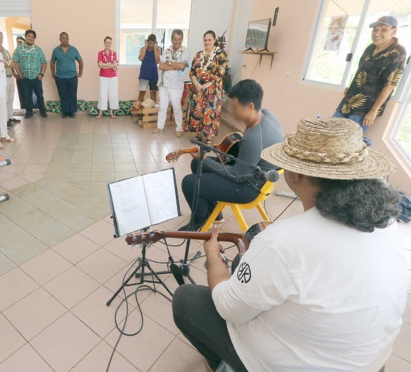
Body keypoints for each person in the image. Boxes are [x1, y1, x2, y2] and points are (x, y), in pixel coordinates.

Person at [173, 117, 407, 371]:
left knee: (187, 299)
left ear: (295, 174)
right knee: (248, 263)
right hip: (371, 362)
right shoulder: (387, 221)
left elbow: (228, 308)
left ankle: (224, 363)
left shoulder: (282, 242)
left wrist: (213, 258)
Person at [180, 79, 284, 230]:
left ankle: (199, 220)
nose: (231, 112)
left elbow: (236, 175)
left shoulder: (254, 137)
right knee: (197, 164)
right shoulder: (267, 115)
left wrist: (204, 158)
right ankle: (215, 214)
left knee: (190, 182)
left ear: (250, 106)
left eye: (235, 108)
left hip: (248, 188)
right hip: (256, 175)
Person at [334, 16, 407, 145]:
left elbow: (390, 85)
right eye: (375, 30)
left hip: (365, 108)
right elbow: (361, 71)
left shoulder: (398, 52)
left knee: (346, 143)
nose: (377, 34)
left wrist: (373, 111)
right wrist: (352, 87)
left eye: (383, 30)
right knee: (329, 132)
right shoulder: (370, 48)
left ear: (393, 31)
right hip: (349, 100)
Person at [185, 30, 228, 141]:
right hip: (198, 89)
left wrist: (207, 84)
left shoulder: (221, 55)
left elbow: (220, 73)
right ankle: (199, 135)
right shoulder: (199, 54)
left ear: (214, 40)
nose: (207, 42)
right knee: (198, 111)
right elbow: (192, 72)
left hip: (212, 91)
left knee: (209, 113)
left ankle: (208, 137)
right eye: (205, 40)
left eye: (209, 40)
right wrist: (197, 84)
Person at [153, 29, 190, 138]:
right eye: (175, 39)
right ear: (172, 39)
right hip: (164, 83)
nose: (177, 42)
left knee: (176, 106)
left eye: (179, 39)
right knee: (162, 106)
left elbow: (182, 66)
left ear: (182, 39)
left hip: (176, 85)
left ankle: (179, 128)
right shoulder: (167, 50)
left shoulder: (185, 51)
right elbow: (161, 66)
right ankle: (160, 126)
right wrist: (174, 65)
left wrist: (168, 63)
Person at [12, 30, 48, 119]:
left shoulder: (38, 49)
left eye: (32, 37)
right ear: (25, 37)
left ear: (34, 39)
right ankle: (29, 112)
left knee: (39, 95)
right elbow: (15, 61)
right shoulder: (19, 49)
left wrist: (41, 74)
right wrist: (19, 74)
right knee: (27, 96)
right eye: (29, 36)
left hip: (36, 77)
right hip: (25, 77)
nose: (30, 38)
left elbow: (44, 62)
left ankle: (42, 111)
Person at [50, 32, 83, 118]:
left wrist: (80, 73)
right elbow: (52, 62)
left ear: (68, 39)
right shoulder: (56, 50)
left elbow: (80, 61)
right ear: (60, 39)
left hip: (72, 77)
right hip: (60, 77)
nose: (65, 40)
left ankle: (71, 112)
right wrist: (53, 74)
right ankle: (65, 112)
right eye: (63, 38)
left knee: (72, 94)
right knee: (63, 94)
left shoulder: (74, 49)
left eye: (66, 38)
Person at [0, 31, 19, 125]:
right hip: (2, 78)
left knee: (10, 98)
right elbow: (1, 64)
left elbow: (11, 63)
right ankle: (5, 119)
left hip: (10, 76)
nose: (1, 40)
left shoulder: (5, 50)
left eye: (2, 37)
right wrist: (7, 64)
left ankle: (10, 117)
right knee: (4, 100)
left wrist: (8, 64)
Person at [96, 36, 119, 119]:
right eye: (107, 42)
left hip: (113, 77)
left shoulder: (114, 53)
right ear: (104, 43)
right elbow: (100, 65)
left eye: (110, 42)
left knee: (113, 93)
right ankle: (101, 111)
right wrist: (111, 65)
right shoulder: (100, 53)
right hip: (103, 76)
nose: (108, 44)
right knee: (102, 93)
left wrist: (105, 65)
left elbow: (114, 64)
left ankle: (111, 111)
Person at [137, 34, 160, 103]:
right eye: (150, 43)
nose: (151, 45)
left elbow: (157, 61)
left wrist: (155, 48)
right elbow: (140, 58)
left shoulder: (158, 50)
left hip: (154, 76)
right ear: (147, 42)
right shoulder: (142, 49)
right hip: (144, 75)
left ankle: (151, 113)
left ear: (155, 43)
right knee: (141, 93)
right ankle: (139, 111)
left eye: (153, 43)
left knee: (153, 94)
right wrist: (146, 46)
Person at [14, 36, 28, 112]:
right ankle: (24, 110)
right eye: (18, 43)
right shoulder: (16, 53)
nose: (19, 45)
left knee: (28, 94)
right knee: (22, 95)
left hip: (27, 77)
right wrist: (16, 74)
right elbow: (13, 64)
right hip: (19, 77)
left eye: (20, 43)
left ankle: (30, 109)